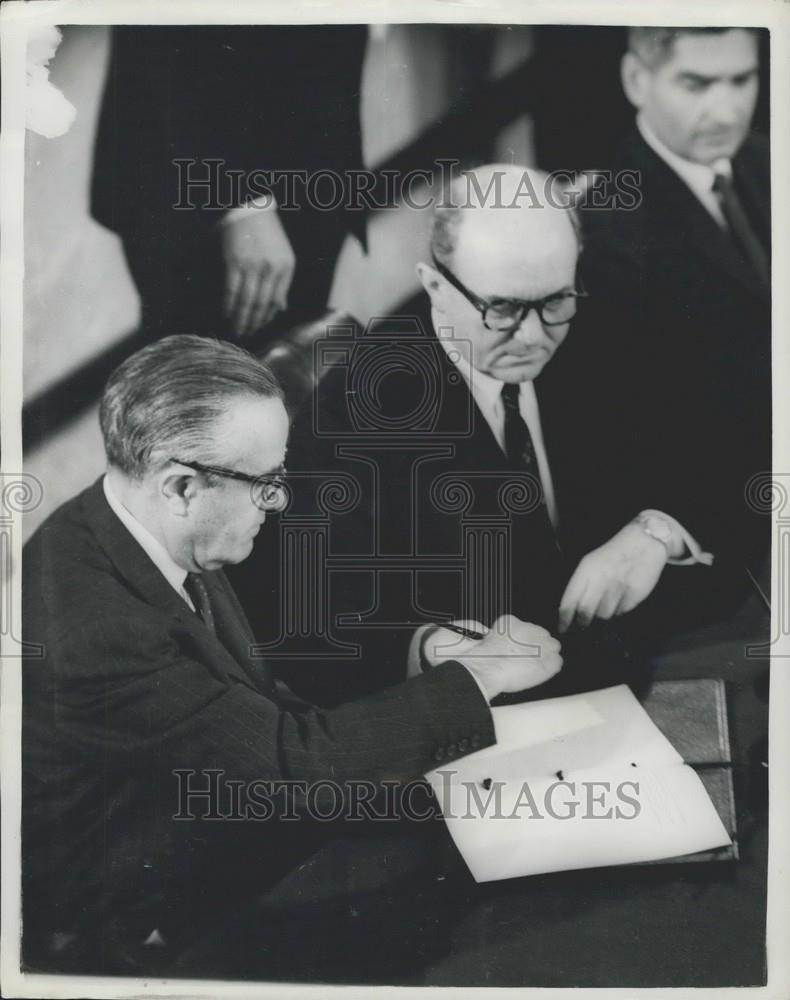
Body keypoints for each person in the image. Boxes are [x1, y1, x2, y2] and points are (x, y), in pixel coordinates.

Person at [21, 334, 563, 976]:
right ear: (182, 487)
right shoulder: (98, 629)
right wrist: (480, 674)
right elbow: (289, 769)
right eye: (266, 483)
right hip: (142, 920)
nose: (279, 502)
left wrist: (431, 657)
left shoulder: (141, 520)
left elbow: (259, 699)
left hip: (216, 815)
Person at [236, 165, 711, 705]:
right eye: (502, 308)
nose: (532, 336)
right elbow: (309, 625)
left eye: (555, 302)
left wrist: (657, 531)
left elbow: (715, 448)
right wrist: (430, 647)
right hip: (490, 711)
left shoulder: (605, 325)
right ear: (436, 286)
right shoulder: (355, 412)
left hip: (646, 663)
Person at [578, 27, 771, 622]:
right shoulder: (606, 232)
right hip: (729, 546)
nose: (727, 109)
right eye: (697, 83)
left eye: (741, 79)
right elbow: (632, 437)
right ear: (637, 80)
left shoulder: (769, 161)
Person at [91, 25, 368, 342]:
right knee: (211, 363)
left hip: (299, 176)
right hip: (218, 184)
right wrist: (240, 199)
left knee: (278, 360)